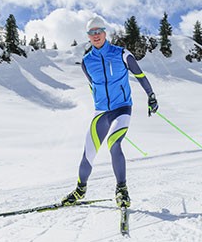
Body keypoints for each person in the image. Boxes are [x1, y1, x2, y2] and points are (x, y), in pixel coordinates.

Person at [61, 16, 159, 208]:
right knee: (88, 151)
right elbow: (93, 85)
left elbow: (140, 75)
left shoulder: (122, 54)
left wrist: (151, 95)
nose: (96, 36)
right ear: (88, 36)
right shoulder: (86, 62)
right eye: (92, 33)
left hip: (122, 108)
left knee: (114, 143)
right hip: (101, 113)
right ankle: (80, 190)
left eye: (99, 32)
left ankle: (122, 189)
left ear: (105, 33)